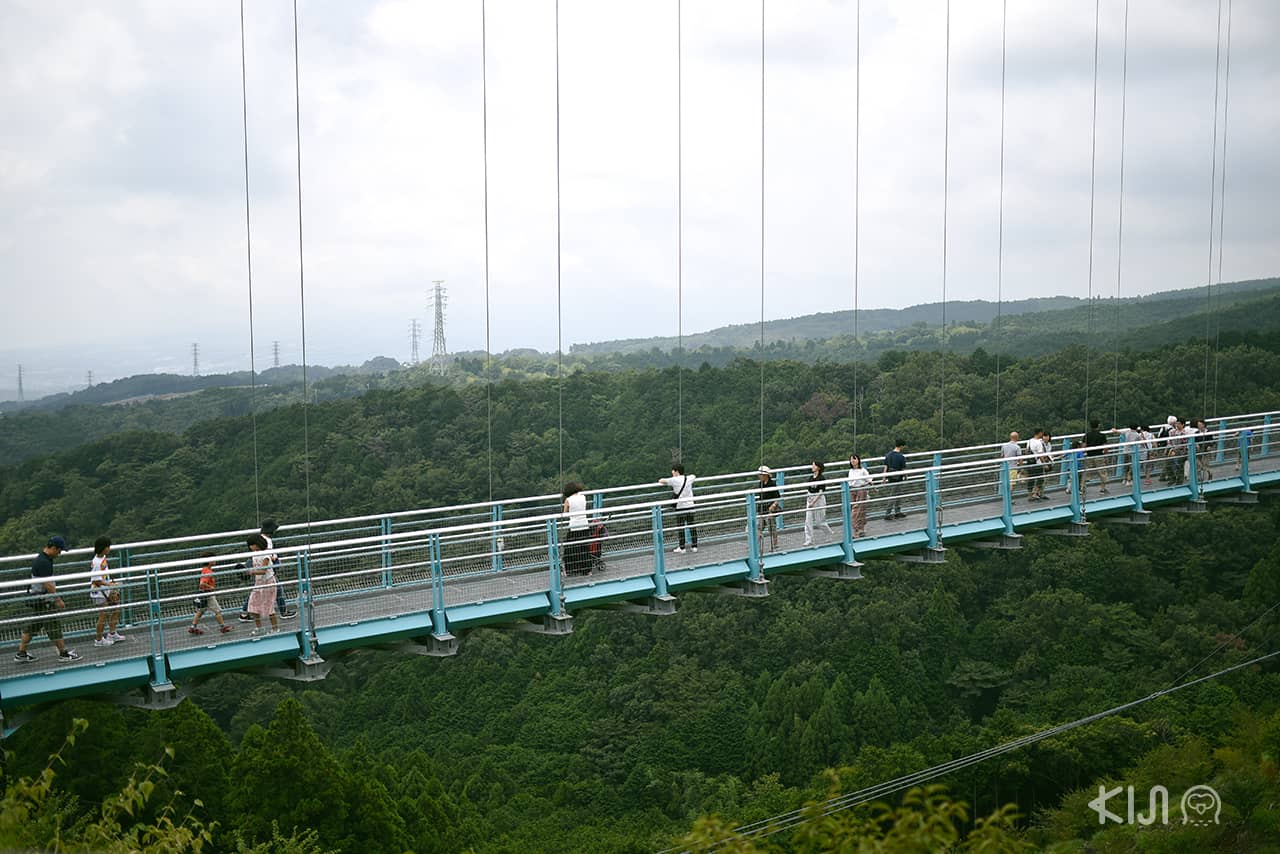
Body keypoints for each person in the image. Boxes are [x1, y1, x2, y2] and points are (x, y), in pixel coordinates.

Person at [13, 537, 81, 663]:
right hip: (44, 601)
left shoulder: (43, 558)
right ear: (53, 548)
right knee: (54, 627)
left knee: (33, 626)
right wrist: (58, 600)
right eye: (59, 551)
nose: (59, 554)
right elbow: (48, 584)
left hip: (38, 598)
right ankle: (63, 654)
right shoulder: (44, 562)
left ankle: (21, 653)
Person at [89, 536, 124, 647]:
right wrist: (110, 585)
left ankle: (112, 633)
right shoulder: (97, 563)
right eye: (107, 546)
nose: (109, 549)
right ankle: (99, 640)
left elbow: (104, 575)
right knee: (103, 615)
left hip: (106, 590)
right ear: (102, 548)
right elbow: (96, 580)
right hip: (99, 592)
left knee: (116, 609)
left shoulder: (102, 558)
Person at [659, 463, 698, 554]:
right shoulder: (688, 478)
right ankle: (694, 546)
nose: (672, 472)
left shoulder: (674, 480)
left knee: (681, 527)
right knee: (692, 525)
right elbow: (694, 476)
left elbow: (661, 481)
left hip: (680, 507)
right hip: (690, 505)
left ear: (676, 471)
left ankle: (682, 547)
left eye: (673, 470)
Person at [245, 534, 280, 636]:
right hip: (258, 583)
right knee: (252, 604)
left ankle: (275, 628)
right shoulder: (254, 554)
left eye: (253, 544)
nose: (251, 547)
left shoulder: (265, 555)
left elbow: (263, 571)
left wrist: (250, 572)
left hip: (268, 582)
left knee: (269, 606)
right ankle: (259, 627)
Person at [190, 553, 233, 635]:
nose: (215, 561)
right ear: (209, 561)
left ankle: (193, 627)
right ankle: (222, 627)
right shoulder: (208, 571)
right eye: (213, 559)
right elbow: (202, 583)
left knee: (200, 611)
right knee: (218, 611)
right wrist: (211, 587)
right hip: (208, 594)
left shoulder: (204, 569)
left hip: (203, 594)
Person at [562, 482, 591, 575]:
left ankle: (570, 570)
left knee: (570, 549)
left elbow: (565, 513)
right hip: (584, 525)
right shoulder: (583, 497)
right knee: (584, 548)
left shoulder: (568, 500)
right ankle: (587, 570)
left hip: (574, 527)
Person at [803, 460, 835, 546]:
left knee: (819, 521)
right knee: (808, 520)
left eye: (814, 465)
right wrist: (809, 500)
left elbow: (821, 492)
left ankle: (829, 533)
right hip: (810, 499)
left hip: (819, 500)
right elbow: (809, 490)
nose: (812, 467)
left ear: (818, 467)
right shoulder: (810, 478)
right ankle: (809, 539)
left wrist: (814, 501)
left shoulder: (821, 478)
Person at [756, 466, 782, 552]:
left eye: (761, 474)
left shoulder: (772, 484)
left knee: (772, 527)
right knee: (758, 527)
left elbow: (777, 497)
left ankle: (775, 544)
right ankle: (757, 546)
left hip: (769, 509)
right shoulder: (761, 483)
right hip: (761, 509)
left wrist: (773, 506)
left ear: (765, 475)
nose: (759, 476)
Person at [847, 454, 873, 539]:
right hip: (852, 490)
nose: (853, 461)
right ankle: (861, 529)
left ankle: (856, 531)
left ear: (858, 460)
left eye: (854, 459)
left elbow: (869, 480)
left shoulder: (863, 470)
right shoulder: (851, 471)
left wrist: (873, 486)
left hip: (861, 490)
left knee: (858, 511)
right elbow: (849, 482)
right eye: (851, 459)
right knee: (856, 510)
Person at [1083, 419, 1111, 496]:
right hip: (1099, 456)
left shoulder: (1087, 435)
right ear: (1098, 426)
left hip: (1089, 456)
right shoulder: (1102, 435)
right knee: (1102, 473)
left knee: (1086, 473)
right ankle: (1102, 489)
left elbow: (1084, 446)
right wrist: (1106, 456)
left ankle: (1082, 488)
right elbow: (1105, 448)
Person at [882, 440, 908, 519]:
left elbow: (886, 467)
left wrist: (883, 478)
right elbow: (903, 469)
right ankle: (889, 513)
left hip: (890, 477)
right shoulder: (901, 456)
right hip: (898, 478)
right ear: (901, 446)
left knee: (893, 495)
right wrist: (906, 476)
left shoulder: (888, 455)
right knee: (896, 495)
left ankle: (896, 512)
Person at [1026, 429, 1050, 501]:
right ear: (1039, 433)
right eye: (1042, 433)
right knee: (1040, 479)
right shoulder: (1039, 443)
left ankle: (1030, 495)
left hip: (1030, 463)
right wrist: (1044, 464)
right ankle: (1035, 493)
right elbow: (1040, 455)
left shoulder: (1029, 441)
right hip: (1037, 463)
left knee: (1031, 479)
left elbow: (1026, 450)